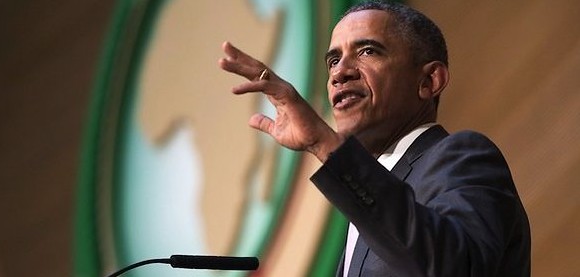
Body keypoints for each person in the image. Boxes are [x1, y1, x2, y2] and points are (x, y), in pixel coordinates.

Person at [219, 1, 530, 276]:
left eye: (367, 51)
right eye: (333, 61)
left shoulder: (463, 157)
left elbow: (454, 267)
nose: (340, 73)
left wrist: (322, 142)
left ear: (429, 81)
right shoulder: (367, 205)